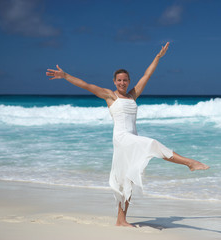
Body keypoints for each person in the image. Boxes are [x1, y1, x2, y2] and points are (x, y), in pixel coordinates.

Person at [46, 42, 209, 227]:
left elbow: (147, 75)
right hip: (123, 138)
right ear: (114, 82)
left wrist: (157, 57)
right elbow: (86, 85)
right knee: (152, 144)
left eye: (125, 80)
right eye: (119, 80)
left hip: (132, 137)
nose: (122, 83)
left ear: (128, 82)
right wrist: (65, 75)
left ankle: (121, 220)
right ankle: (189, 163)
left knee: (128, 178)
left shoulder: (132, 96)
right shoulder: (110, 96)